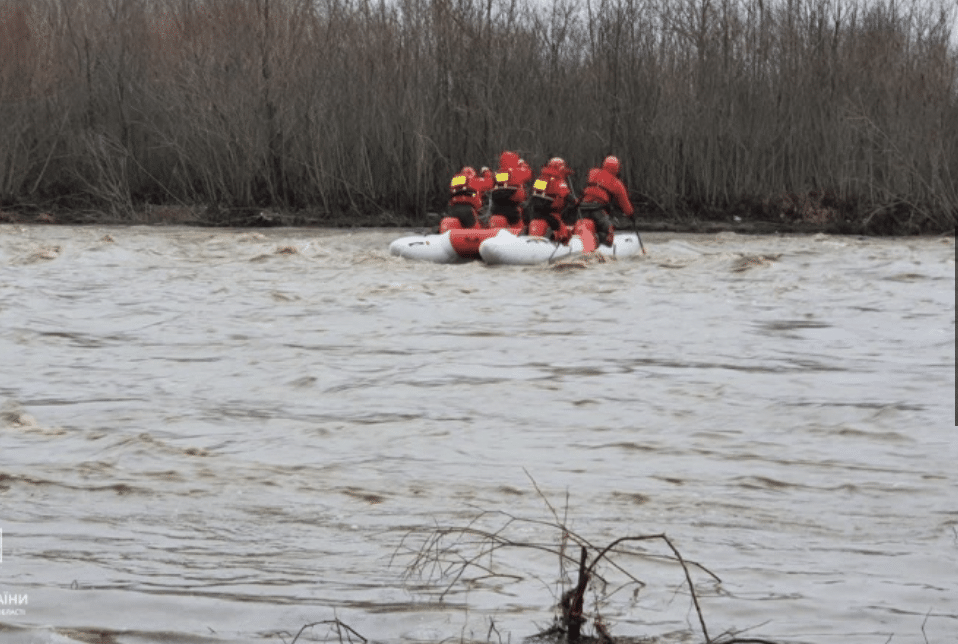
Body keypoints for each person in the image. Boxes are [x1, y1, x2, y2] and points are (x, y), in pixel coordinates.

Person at [578, 155, 633, 246]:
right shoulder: (616, 183)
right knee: (608, 231)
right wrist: (631, 214)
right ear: (617, 168)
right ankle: (600, 243)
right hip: (598, 210)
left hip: (583, 207)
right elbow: (624, 203)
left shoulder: (593, 172)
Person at [527, 157, 576, 242]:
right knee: (563, 231)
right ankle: (557, 242)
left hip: (536, 214)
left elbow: (535, 194)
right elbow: (566, 195)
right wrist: (576, 202)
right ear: (561, 167)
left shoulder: (541, 178)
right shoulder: (558, 181)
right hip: (552, 214)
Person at [440, 165, 493, 232]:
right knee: (476, 231)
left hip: (453, 209)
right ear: (473, 173)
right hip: (468, 210)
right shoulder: (475, 180)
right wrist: (486, 171)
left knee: (457, 227)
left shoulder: (455, 181)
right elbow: (489, 183)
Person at [488, 151, 531, 228]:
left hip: (497, 209)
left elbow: (489, 184)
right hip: (513, 208)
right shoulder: (517, 172)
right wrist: (522, 164)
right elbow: (528, 174)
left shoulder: (497, 173)